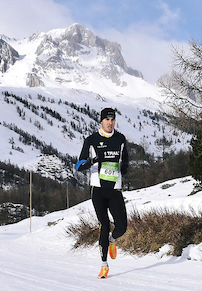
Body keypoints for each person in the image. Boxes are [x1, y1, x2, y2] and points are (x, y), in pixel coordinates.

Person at [74, 107, 129, 279]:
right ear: (101, 121)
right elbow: (79, 166)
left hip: (115, 189)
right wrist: (95, 160)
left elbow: (125, 162)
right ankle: (104, 265)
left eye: (113, 120)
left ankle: (111, 241)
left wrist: (122, 168)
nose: (110, 123)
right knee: (104, 224)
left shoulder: (120, 139)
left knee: (122, 227)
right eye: (107, 120)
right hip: (97, 189)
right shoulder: (91, 140)